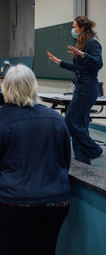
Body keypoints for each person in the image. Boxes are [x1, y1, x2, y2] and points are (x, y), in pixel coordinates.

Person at [0, 64, 71, 255]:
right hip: (54, 204)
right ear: (33, 86)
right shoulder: (56, 119)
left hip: (12, 204)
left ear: (5, 88)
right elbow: (65, 161)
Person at [47, 16, 104, 164]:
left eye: (74, 26)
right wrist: (59, 62)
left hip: (88, 88)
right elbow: (78, 67)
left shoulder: (92, 44)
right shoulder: (82, 43)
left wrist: (83, 54)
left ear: (82, 28)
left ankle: (94, 150)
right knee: (80, 124)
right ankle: (82, 159)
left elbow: (98, 63)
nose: (73, 29)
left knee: (71, 122)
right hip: (81, 86)